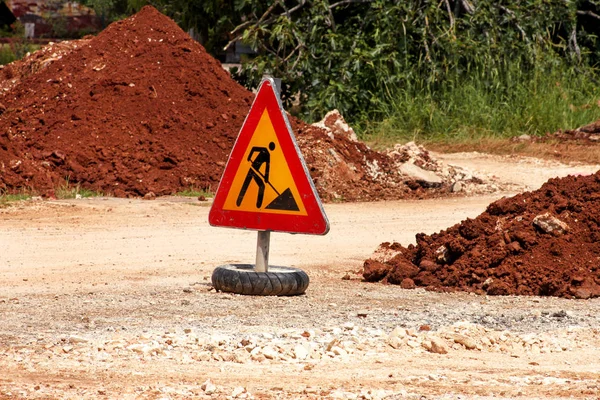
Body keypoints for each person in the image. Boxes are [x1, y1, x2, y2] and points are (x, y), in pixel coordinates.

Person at [236, 142, 276, 208]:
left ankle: (258, 206)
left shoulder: (267, 154)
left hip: (255, 172)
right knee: (246, 184)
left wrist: (266, 178)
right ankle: (238, 203)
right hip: (252, 170)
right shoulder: (264, 150)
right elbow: (254, 148)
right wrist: (249, 157)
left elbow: (267, 168)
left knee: (261, 186)